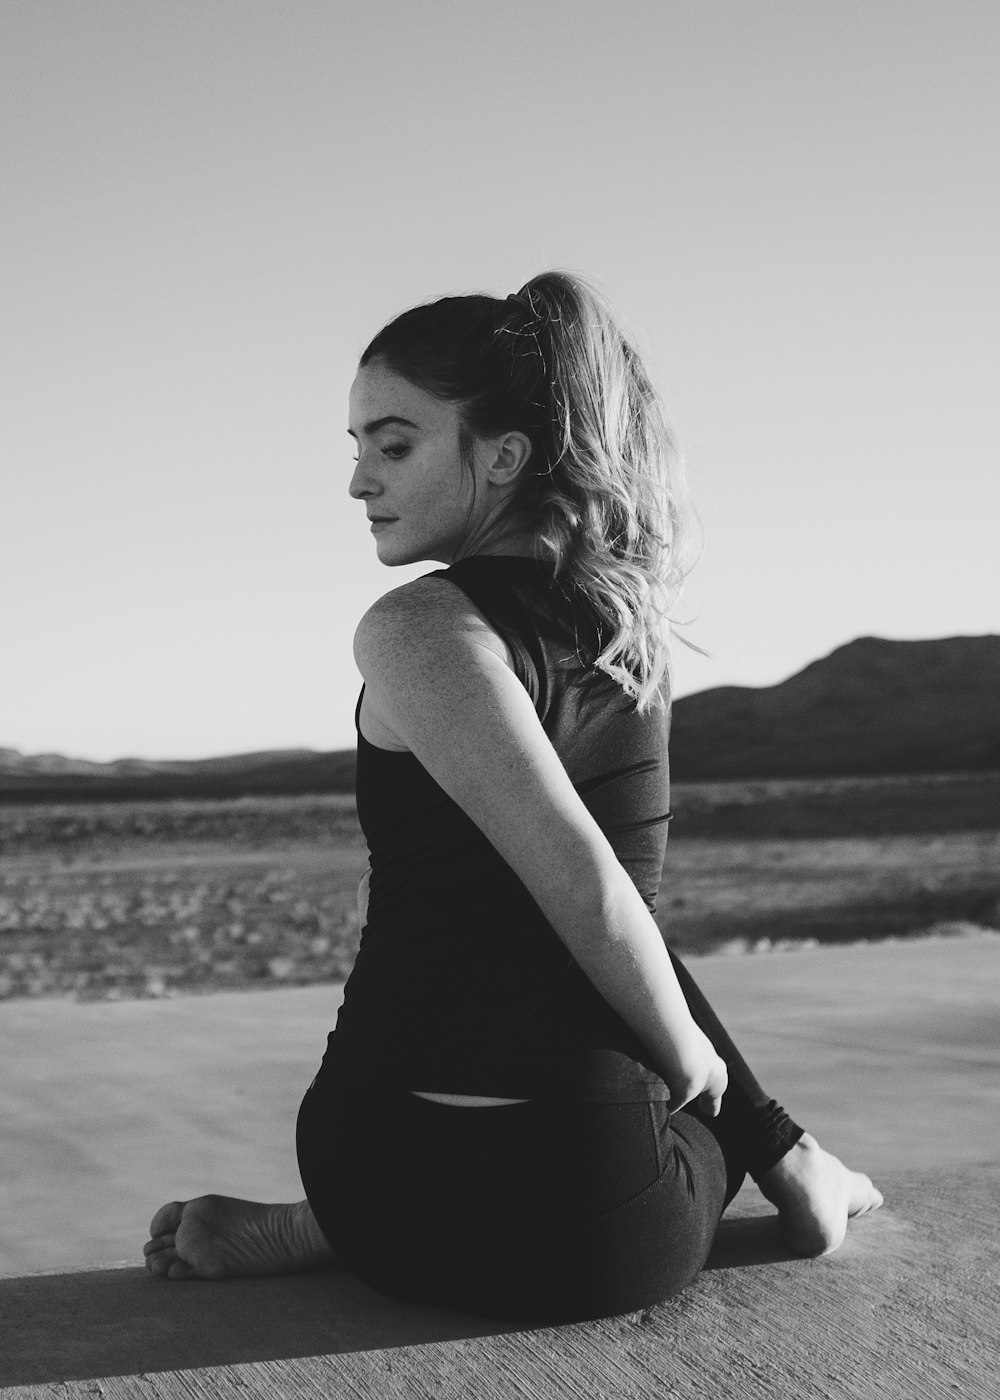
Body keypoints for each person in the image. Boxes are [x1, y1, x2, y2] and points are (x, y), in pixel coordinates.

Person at [144, 272, 882, 1322]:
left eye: (391, 445)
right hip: (592, 1219)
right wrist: (719, 1093)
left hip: (371, 1170)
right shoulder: (628, 646)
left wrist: (687, 1053)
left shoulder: (415, 629)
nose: (359, 481)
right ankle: (806, 1167)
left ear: (501, 455)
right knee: (701, 1121)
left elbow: (581, 891)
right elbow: (600, 897)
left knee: (649, 1053)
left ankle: (323, 1223)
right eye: (354, 448)